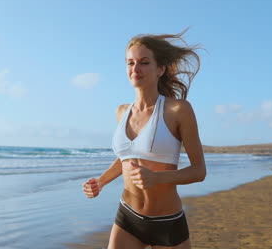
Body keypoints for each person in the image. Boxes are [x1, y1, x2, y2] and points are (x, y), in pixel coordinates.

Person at [82, 28, 206, 249]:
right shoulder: (121, 111)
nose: (135, 68)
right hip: (128, 217)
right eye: (130, 63)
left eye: (144, 62)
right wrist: (100, 181)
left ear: (160, 69)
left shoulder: (178, 110)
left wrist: (157, 178)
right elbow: (126, 159)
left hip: (166, 222)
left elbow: (199, 171)